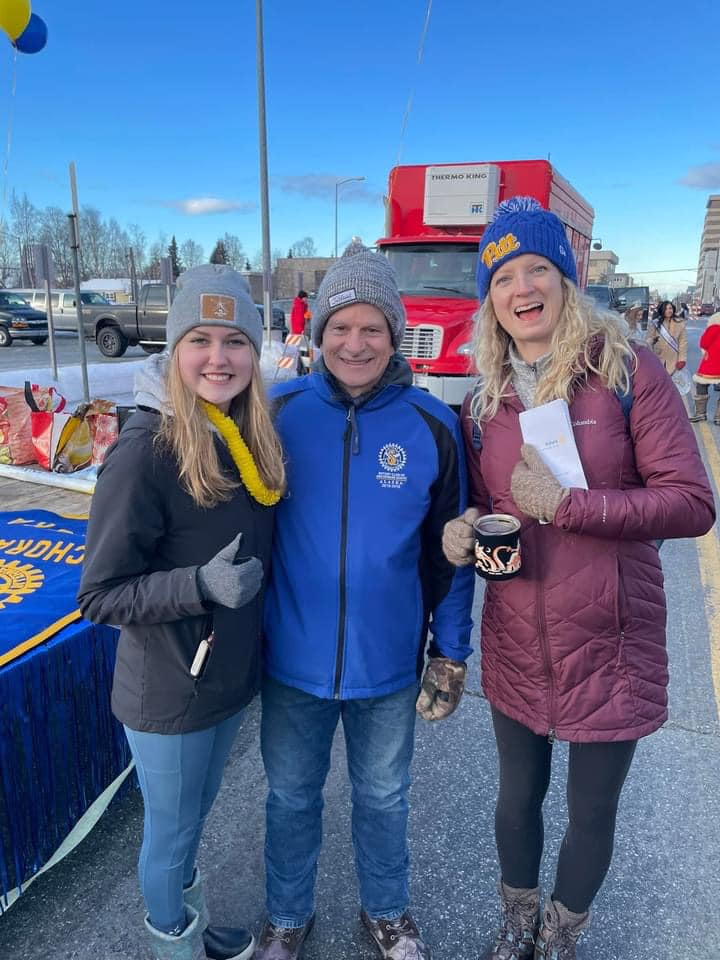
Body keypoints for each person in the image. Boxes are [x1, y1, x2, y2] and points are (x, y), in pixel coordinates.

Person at [441, 198, 715, 960]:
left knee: (591, 808)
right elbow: (484, 502)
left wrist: (570, 505)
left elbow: (694, 504)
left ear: (565, 279)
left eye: (537, 269)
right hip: (519, 632)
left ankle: (562, 932)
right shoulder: (484, 399)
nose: (521, 288)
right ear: (490, 299)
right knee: (516, 797)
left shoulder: (627, 371)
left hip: (610, 634)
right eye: (502, 277)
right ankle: (517, 922)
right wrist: (463, 530)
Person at [255, 241, 475, 960]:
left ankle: (387, 912)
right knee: (290, 798)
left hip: (388, 663)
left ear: (393, 335)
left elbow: (454, 556)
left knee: (384, 799)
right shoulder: (275, 412)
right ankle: (287, 916)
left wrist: (451, 651)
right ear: (318, 335)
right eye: (340, 327)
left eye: (371, 328)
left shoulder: (432, 425)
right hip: (292, 660)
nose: (355, 343)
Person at [77, 264, 286, 960]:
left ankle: (191, 927)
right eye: (201, 339)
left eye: (236, 341)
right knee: (169, 832)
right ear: (173, 350)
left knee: (193, 819)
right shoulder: (144, 452)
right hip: (169, 686)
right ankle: (174, 944)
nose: (219, 357)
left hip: (225, 681)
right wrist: (197, 585)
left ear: (256, 354)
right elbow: (100, 595)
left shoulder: (241, 432)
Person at [688, 310, 720, 423]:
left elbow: (704, 343)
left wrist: (706, 352)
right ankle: (719, 417)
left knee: (702, 384)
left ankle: (701, 413)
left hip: (712, 361)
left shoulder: (714, 327)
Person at [646, 300, 687, 374]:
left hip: (674, 359)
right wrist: (652, 341)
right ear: (662, 310)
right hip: (658, 358)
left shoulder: (680, 323)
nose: (668, 311)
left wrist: (682, 359)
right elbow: (648, 340)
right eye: (666, 309)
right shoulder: (655, 323)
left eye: (670, 308)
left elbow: (683, 342)